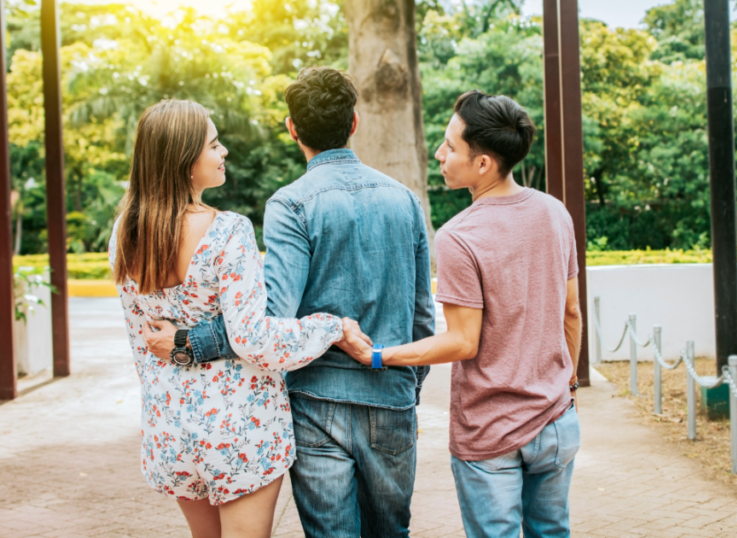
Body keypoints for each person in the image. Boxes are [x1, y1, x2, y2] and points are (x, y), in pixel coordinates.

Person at [144, 67, 435, 538]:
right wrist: (407, 384)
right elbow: (424, 311)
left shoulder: (291, 204)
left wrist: (190, 341)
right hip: (391, 395)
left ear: (292, 128)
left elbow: (269, 314)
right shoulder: (404, 200)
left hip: (316, 402)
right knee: (391, 532)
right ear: (354, 122)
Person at [110, 99, 369, 538]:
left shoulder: (125, 233)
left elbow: (143, 342)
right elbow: (255, 340)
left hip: (170, 425)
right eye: (214, 145)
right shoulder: (227, 231)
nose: (224, 151)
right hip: (237, 427)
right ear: (184, 161)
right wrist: (332, 326)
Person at [348, 90, 583, 538]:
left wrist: (378, 356)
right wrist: (567, 386)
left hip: (490, 432)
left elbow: (462, 341)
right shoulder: (555, 213)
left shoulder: (460, 236)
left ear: (483, 164)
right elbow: (571, 312)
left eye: (450, 146)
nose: (440, 153)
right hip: (556, 421)